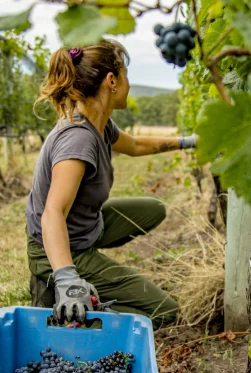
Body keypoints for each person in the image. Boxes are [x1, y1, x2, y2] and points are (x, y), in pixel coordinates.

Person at [26, 40, 196, 329]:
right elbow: (53, 213)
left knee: (153, 209)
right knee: (163, 310)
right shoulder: (78, 138)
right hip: (59, 245)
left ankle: (83, 271)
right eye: (126, 75)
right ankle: (71, 298)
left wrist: (189, 142)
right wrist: (68, 279)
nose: (129, 83)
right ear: (112, 81)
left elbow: (137, 144)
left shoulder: (99, 124)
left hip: (82, 228)